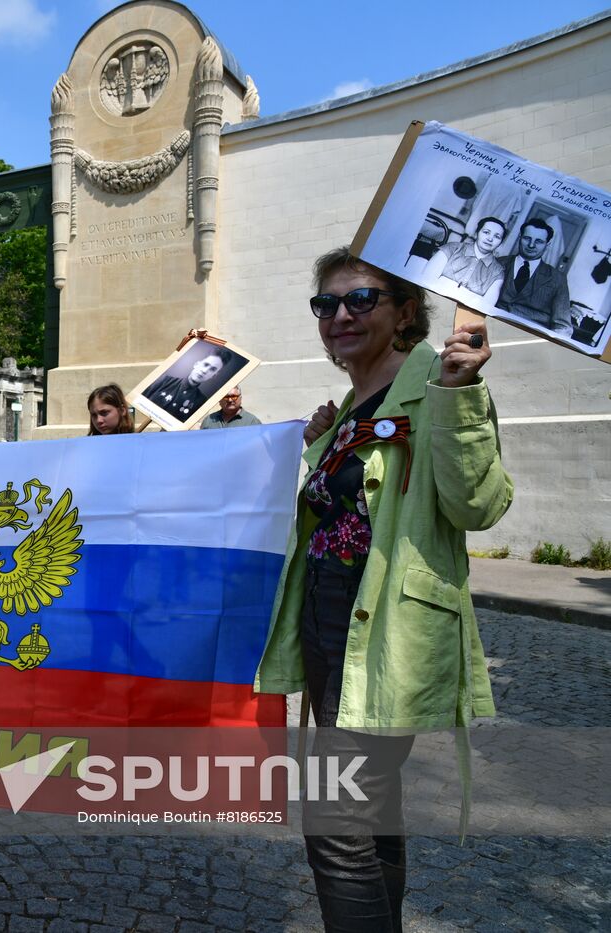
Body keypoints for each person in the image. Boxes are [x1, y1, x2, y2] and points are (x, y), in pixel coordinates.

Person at [254, 246, 512, 932]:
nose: (340, 314)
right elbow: (341, 514)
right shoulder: (349, 405)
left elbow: (478, 505)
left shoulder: (438, 380)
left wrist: (460, 396)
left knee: (336, 819)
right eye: (326, 303)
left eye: (361, 299)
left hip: (384, 634)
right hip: (328, 631)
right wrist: (319, 448)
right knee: (371, 812)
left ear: (404, 311)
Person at [494, 218, 573, 336]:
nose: (531, 245)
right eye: (527, 238)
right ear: (520, 237)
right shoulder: (497, 263)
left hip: (529, 336)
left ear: (548, 244)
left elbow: (563, 327)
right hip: (492, 326)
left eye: (539, 241)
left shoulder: (557, 279)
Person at [424, 216, 506, 299]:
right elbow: (425, 280)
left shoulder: (498, 272)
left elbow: (487, 306)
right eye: (486, 232)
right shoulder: (451, 249)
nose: (490, 238)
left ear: (500, 243)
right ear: (476, 233)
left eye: (497, 236)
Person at [143, 346, 233, 422]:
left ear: (214, 375)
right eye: (205, 364)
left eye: (212, 369)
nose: (205, 371)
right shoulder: (164, 380)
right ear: (196, 364)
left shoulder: (201, 401)